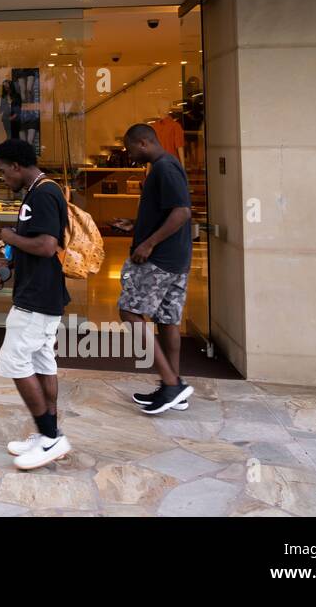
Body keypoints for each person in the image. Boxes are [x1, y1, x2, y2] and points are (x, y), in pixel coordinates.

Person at [0, 139, 71, 470]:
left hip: (37, 300)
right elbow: (36, 249)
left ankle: (51, 438)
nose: (2, 177)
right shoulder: (39, 191)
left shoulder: (43, 194)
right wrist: (8, 267)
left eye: (3, 171)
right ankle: (48, 433)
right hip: (42, 293)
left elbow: (48, 246)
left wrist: (9, 237)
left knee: (15, 361)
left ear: (17, 166)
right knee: (41, 360)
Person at [119, 123, 194, 414]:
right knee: (167, 320)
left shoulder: (164, 167)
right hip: (176, 258)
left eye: (129, 149)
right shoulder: (167, 165)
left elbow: (182, 211)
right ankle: (173, 389)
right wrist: (136, 225)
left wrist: (148, 243)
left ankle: (170, 383)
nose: (128, 154)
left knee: (128, 311)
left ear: (142, 143)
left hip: (160, 260)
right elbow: (167, 211)